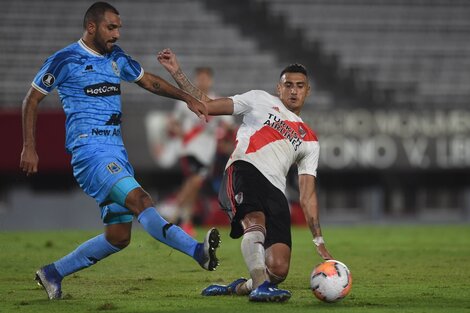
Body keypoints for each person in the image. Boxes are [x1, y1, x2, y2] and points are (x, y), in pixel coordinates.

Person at [19, 2, 220, 300]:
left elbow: (148, 80)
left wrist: (186, 97)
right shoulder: (65, 59)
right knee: (142, 200)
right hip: (90, 152)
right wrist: (29, 147)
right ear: (91, 27)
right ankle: (198, 252)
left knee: (118, 237)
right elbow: (31, 100)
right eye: (111, 27)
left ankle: (52, 272)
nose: (116, 34)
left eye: (119, 28)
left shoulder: (116, 58)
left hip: (116, 151)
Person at [158, 49, 333, 302]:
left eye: (300, 86)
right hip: (244, 169)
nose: (294, 90)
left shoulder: (310, 140)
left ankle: (241, 287)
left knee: (278, 270)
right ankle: (261, 288)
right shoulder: (258, 99)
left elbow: (307, 195)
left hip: (276, 191)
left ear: (308, 91)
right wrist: (178, 73)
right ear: (279, 87)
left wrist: (318, 239)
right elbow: (206, 103)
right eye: (288, 85)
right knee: (255, 222)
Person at [160, 67, 234, 236]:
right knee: (195, 180)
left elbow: (229, 125)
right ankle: (174, 213)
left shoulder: (216, 101)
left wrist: (227, 132)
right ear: (196, 80)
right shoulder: (185, 101)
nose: (203, 82)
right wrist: (178, 131)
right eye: (200, 78)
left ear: (211, 80)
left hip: (207, 152)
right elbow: (172, 122)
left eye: (206, 78)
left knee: (194, 183)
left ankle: (184, 219)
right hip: (190, 148)